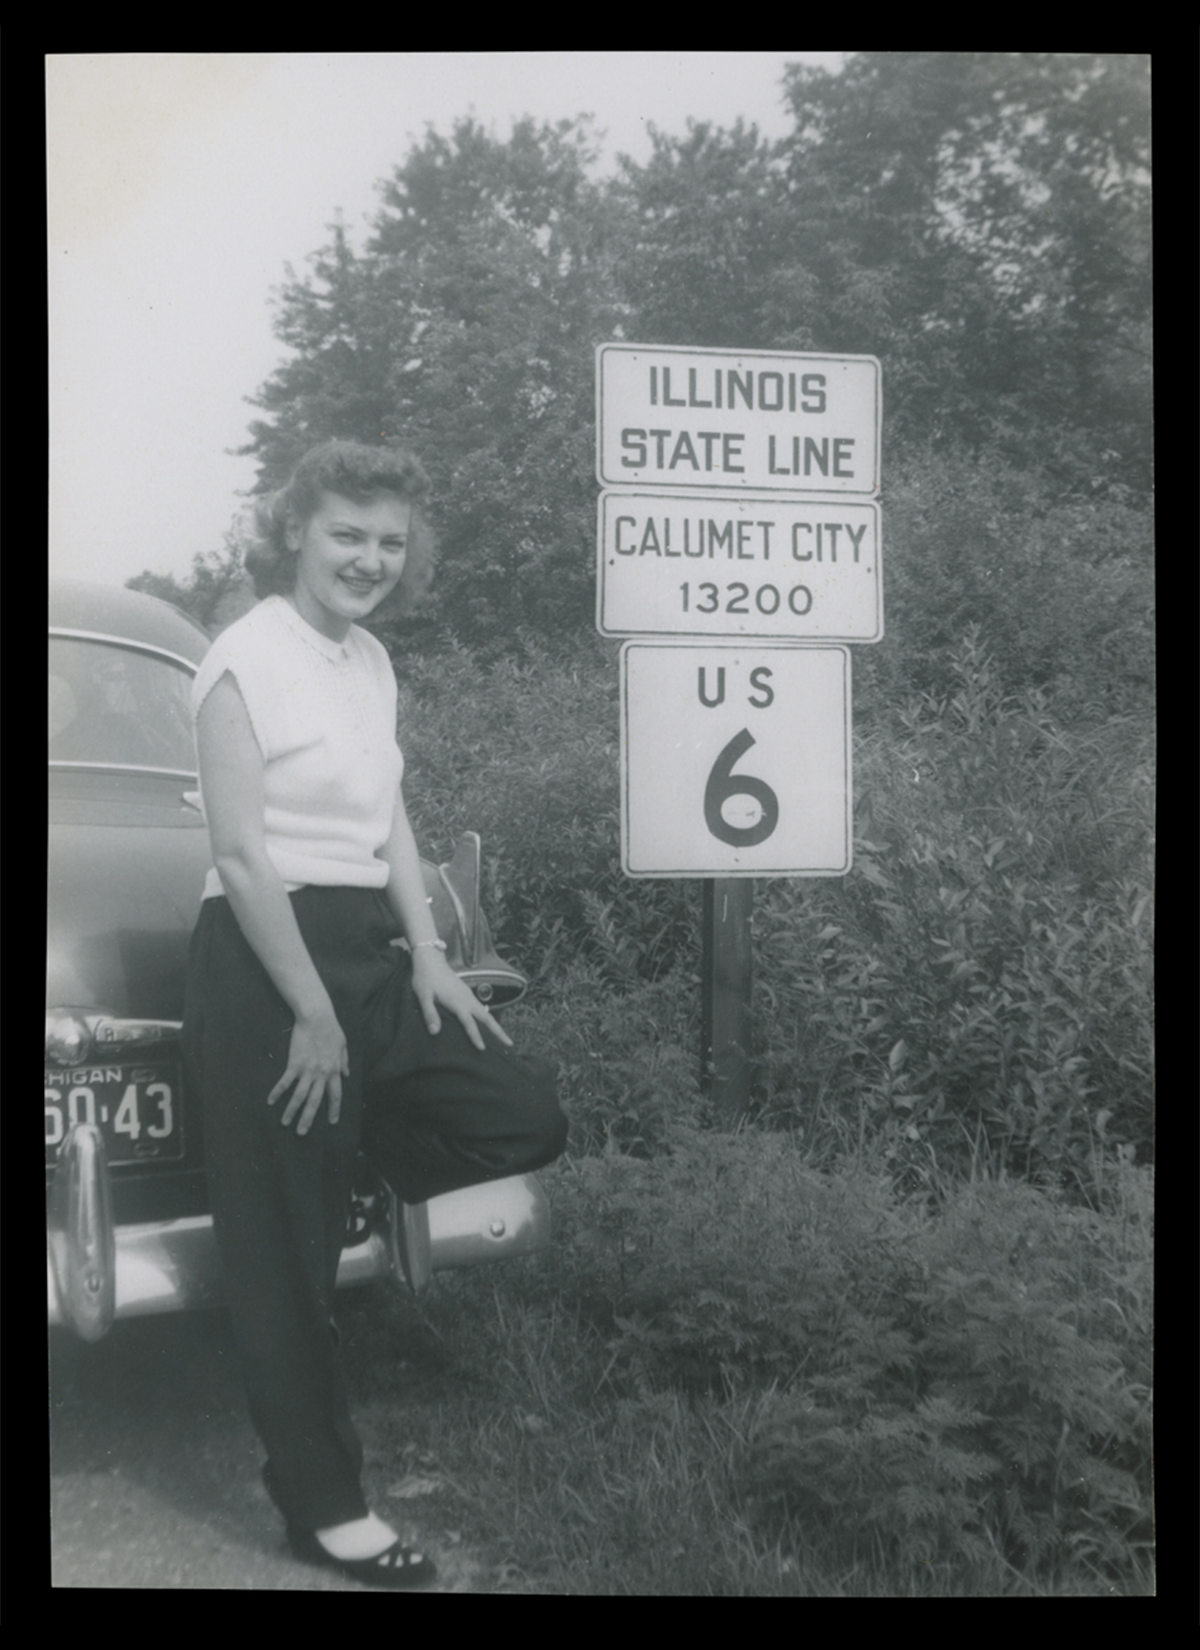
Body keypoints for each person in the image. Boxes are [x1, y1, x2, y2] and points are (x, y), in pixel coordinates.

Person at [181, 440, 567, 1589]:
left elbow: (391, 818)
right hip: (264, 965)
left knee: (519, 1112)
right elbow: (243, 857)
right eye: (348, 533)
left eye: (391, 542)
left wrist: (435, 957)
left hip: (368, 950)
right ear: (295, 528)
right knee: (284, 1264)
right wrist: (311, 1011)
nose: (370, 559)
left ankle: (340, 1156)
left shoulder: (370, 660)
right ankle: (323, 1508)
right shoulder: (241, 660)